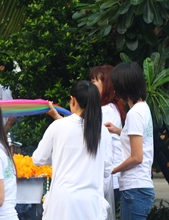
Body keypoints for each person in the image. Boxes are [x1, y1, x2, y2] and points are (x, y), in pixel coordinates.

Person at [32, 80, 113, 220]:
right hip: (91, 206)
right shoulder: (103, 132)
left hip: (62, 205)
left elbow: (38, 159)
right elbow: (106, 170)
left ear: (73, 100)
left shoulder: (58, 127)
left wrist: (59, 158)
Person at [105, 62, 155, 220]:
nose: (114, 89)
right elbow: (139, 138)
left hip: (135, 188)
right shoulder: (143, 108)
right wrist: (118, 130)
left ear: (124, 86)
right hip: (141, 187)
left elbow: (136, 157)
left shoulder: (134, 114)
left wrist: (112, 170)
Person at [89, 65, 126, 214]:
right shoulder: (113, 107)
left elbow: (81, 131)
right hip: (113, 178)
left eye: (94, 82)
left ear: (107, 85)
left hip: (109, 178)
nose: (90, 87)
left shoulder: (105, 110)